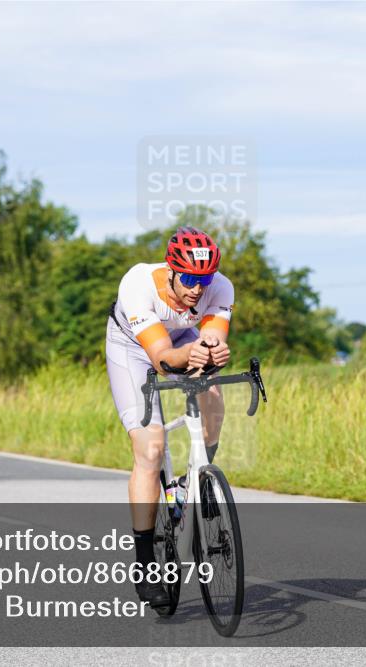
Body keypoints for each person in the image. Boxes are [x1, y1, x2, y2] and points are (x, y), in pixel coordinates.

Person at [106, 226, 233, 608]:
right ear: (171, 271)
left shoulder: (220, 287)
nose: (198, 289)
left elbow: (212, 336)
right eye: (190, 280)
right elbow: (161, 359)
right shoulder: (138, 285)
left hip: (180, 338)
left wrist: (213, 351)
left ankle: (197, 480)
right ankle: (145, 565)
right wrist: (192, 354)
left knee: (213, 395)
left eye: (204, 280)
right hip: (133, 348)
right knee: (151, 449)